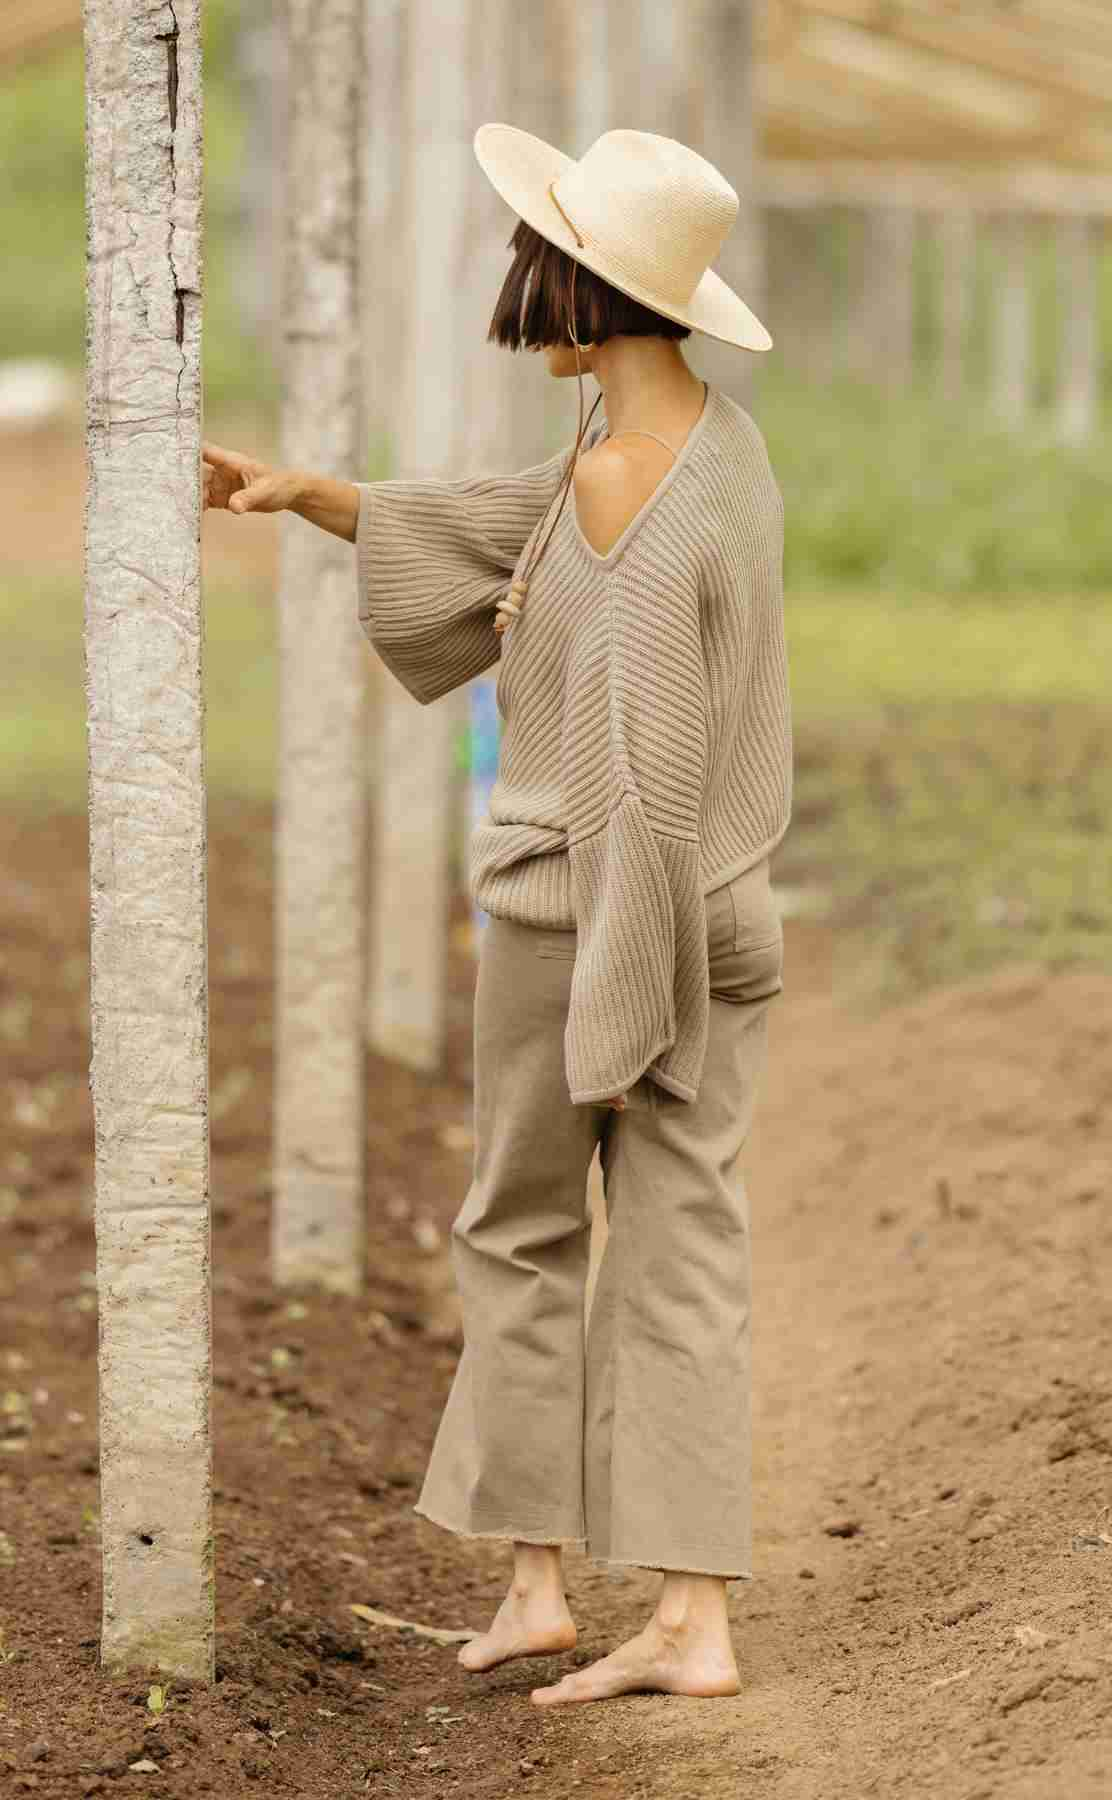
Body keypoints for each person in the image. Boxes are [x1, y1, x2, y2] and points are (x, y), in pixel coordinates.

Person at [203, 124, 793, 1706]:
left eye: (537, 258)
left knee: (526, 1229)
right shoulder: (709, 448)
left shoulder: (618, 485)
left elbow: (641, 770)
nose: (516, 284)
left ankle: (549, 1585)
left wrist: (616, 992)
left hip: (595, 911)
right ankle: (685, 1611)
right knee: (683, 1243)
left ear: (586, 293)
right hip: (720, 912)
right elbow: (510, 524)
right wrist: (320, 497)